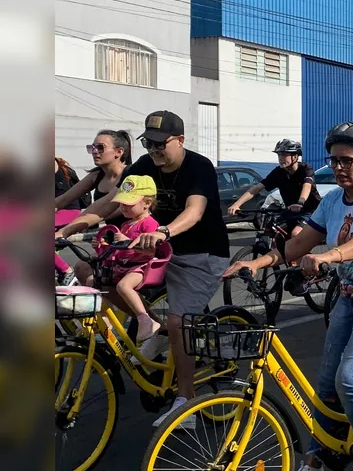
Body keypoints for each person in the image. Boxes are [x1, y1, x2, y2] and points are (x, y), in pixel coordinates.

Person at [224, 122, 353, 471]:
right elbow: (297, 246)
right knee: (327, 384)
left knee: (351, 380)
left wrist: (330, 256)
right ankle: (320, 454)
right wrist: (258, 262)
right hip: (349, 295)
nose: (339, 167)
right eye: (335, 160)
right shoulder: (331, 202)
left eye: (347, 160)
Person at [55, 110, 230, 429]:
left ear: (180, 140)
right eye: (149, 143)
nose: (154, 150)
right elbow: (109, 203)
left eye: (161, 144)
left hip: (201, 254)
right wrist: (65, 230)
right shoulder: (145, 166)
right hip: (158, 250)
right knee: (100, 277)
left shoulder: (198, 167)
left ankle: (186, 402)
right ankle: (153, 326)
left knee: (181, 322)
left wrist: (164, 231)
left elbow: (195, 211)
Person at [100, 175, 162, 342]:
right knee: (100, 282)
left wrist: (127, 242)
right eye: (121, 204)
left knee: (124, 286)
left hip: (141, 266)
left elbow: (150, 250)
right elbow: (119, 250)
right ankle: (104, 315)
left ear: (147, 203)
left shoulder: (149, 224)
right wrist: (103, 245)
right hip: (125, 265)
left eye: (129, 204)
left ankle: (145, 320)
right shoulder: (127, 225)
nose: (123, 208)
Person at [227, 139, 322, 235]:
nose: (280, 158)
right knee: (271, 229)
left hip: (311, 211)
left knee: (295, 233)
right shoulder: (278, 172)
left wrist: (300, 203)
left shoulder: (305, 169)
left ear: (295, 156)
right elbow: (256, 189)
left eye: (284, 155)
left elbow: (307, 186)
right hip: (291, 211)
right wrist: (237, 204)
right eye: (279, 155)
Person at [55, 130, 132, 224]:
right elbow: (64, 199)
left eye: (100, 147)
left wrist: (87, 219)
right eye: (92, 147)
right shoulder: (96, 175)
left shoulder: (131, 174)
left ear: (119, 152)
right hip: (110, 234)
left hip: (134, 233)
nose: (95, 151)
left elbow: (122, 209)